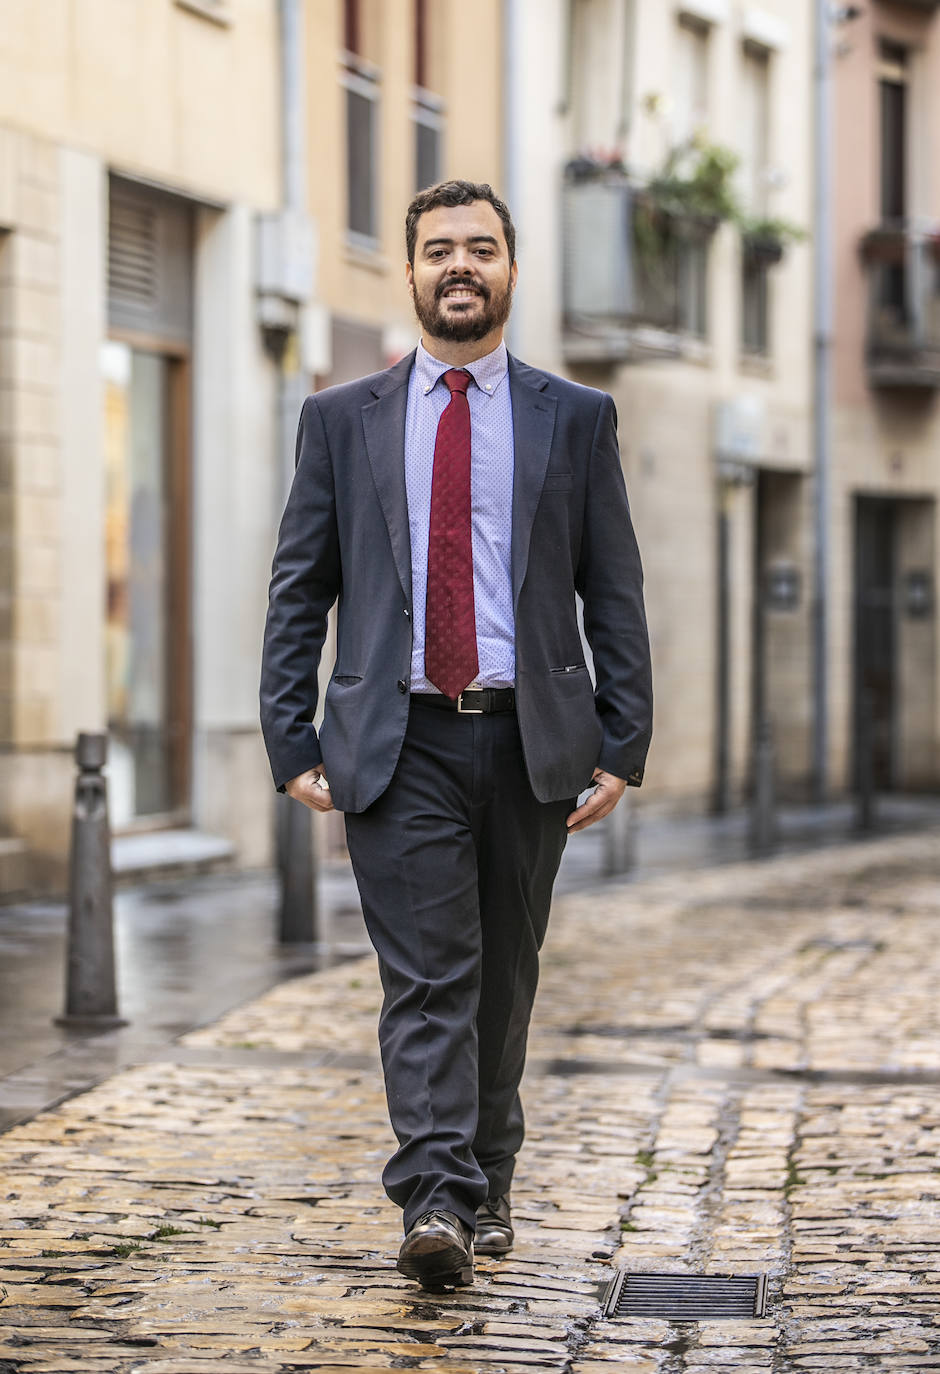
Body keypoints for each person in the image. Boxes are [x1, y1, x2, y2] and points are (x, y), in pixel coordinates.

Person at [260, 179, 652, 1292]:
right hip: (399, 738)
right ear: (412, 272)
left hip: (529, 736)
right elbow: (302, 587)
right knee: (427, 976)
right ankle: (433, 1197)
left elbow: (610, 588)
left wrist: (623, 739)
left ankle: (488, 1174)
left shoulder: (573, 417)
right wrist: (289, 732)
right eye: (440, 250)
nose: (460, 266)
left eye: (480, 247)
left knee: (505, 978)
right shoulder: (343, 419)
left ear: (512, 270)